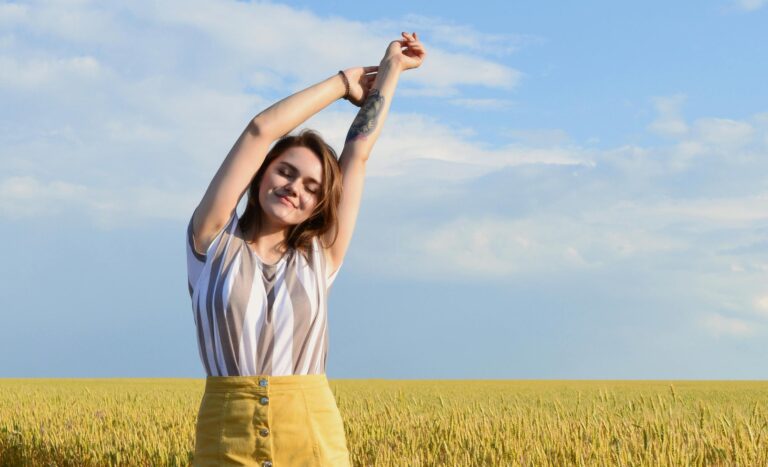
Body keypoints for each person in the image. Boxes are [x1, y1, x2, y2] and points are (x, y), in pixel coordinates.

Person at [185, 32, 426, 466]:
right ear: (261, 174)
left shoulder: (321, 256)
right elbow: (260, 131)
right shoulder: (212, 241)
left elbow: (358, 152)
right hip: (226, 439)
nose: (294, 188)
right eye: (286, 171)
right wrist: (342, 84)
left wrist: (391, 70)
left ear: (318, 205)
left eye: (312, 187)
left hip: (311, 435)